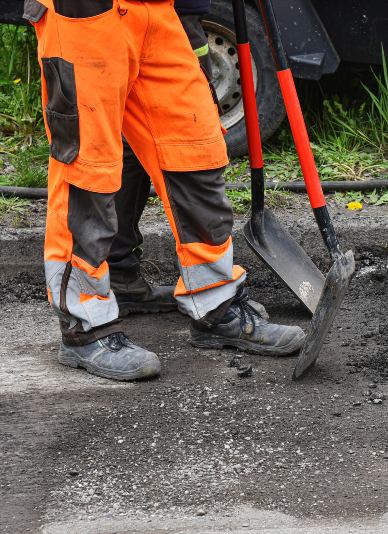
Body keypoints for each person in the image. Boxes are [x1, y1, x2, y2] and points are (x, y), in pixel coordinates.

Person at [24, 0, 305, 382]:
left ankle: (215, 303)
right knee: (87, 169)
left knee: (196, 152)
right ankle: (84, 326)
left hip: (158, 12)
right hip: (84, 15)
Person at [108, 0, 215, 316]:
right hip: (158, 15)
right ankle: (211, 296)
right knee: (187, 138)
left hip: (162, 12)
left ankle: (118, 274)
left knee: (140, 136)